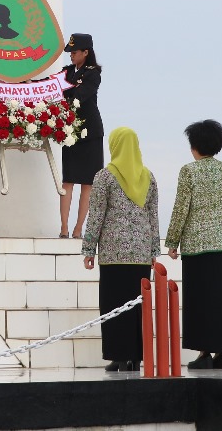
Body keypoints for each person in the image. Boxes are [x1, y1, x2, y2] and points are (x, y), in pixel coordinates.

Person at [164, 119, 222, 369]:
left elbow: (181, 208)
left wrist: (172, 241)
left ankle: (204, 353)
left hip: (198, 247)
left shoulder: (189, 171)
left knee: (200, 300)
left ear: (194, 146)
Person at [82, 127, 159, 372]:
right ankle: (136, 356)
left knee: (114, 304)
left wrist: (88, 248)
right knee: (137, 306)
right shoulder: (149, 177)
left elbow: (96, 215)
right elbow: (153, 217)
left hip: (113, 255)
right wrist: (153, 251)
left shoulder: (105, 176)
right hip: (140, 256)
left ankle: (119, 356)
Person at [59, 33, 104, 238]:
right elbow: (51, 85)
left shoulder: (93, 73)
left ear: (86, 52)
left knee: (88, 182)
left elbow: (80, 95)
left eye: (74, 52)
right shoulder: (67, 72)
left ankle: (78, 229)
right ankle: (64, 227)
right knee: (68, 180)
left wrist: (65, 91)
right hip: (71, 131)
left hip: (91, 131)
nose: (71, 56)